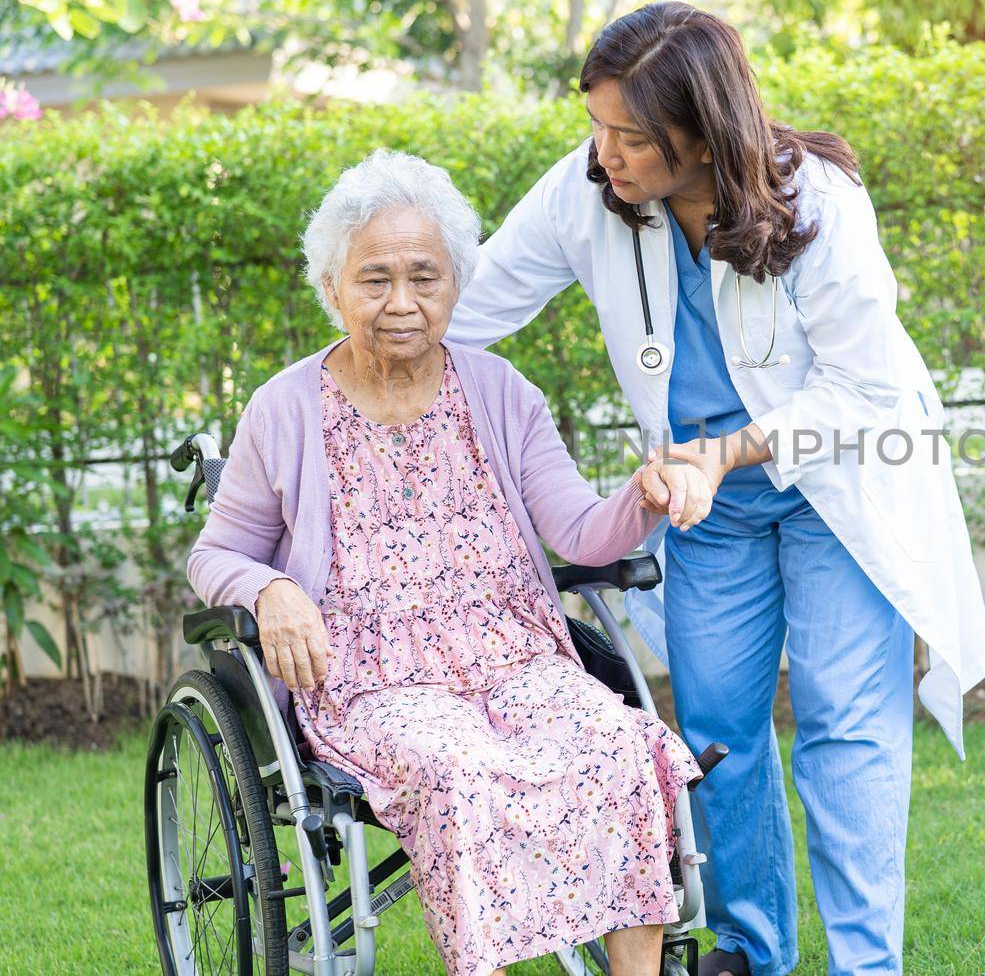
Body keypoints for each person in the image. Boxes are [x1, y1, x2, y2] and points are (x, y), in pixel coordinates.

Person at [444, 3, 985, 976]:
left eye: (631, 135)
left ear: (700, 132)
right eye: (596, 124)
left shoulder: (814, 197)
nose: (604, 153)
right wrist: (343, 385)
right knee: (716, 731)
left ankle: (866, 965)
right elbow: (468, 310)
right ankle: (749, 952)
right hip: (709, 510)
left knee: (843, 725)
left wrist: (722, 451)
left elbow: (865, 388)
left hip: (840, 488)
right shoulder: (585, 191)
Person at [187, 148, 714, 976]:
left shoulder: (504, 391)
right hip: (372, 681)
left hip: (519, 658)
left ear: (456, 286)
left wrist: (644, 496)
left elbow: (579, 530)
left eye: (425, 277)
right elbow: (217, 551)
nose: (402, 302)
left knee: (615, 742)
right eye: (375, 279)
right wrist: (272, 585)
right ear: (332, 287)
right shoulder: (283, 408)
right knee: (460, 769)